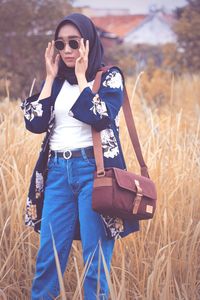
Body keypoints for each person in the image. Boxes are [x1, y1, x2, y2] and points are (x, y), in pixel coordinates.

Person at [21, 13, 139, 300]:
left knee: (94, 260)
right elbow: (34, 123)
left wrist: (83, 79)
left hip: (95, 173)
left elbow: (100, 116)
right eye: (60, 45)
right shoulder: (57, 82)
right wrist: (49, 77)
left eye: (74, 43)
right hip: (57, 174)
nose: (68, 51)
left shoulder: (108, 76)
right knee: (49, 257)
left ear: (88, 43)